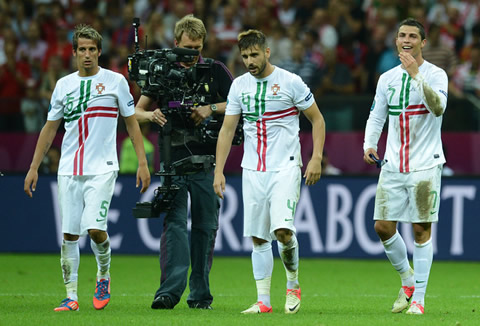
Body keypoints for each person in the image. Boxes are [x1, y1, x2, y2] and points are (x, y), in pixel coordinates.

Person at [24, 24, 151, 312]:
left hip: (103, 168)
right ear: (74, 53)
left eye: (92, 49)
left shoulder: (116, 82)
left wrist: (143, 163)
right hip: (68, 168)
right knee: (69, 235)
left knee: (95, 229)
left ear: (99, 51)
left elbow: (131, 121)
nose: (87, 55)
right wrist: (33, 167)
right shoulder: (63, 86)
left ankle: (103, 275)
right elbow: (49, 128)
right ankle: (71, 297)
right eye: (82, 49)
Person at [213, 29, 325, 314]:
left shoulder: (291, 82)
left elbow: (317, 119)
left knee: (283, 231)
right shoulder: (239, 86)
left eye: (254, 55)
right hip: (252, 169)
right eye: (245, 56)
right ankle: (263, 301)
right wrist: (219, 170)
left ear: (267, 52)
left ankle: (292, 285)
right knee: (259, 237)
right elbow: (227, 130)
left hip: (286, 166)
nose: (250, 61)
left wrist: (316, 158)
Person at [134, 14, 233, 310]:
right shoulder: (162, 71)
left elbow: (241, 101)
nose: (192, 56)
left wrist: (209, 108)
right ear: (175, 43)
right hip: (173, 163)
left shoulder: (215, 70)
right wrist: (151, 115)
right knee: (174, 226)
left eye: (198, 48)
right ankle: (168, 292)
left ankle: (200, 295)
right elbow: (134, 111)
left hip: (205, 162)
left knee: (205, 228)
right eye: (187, 49)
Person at [363, 18, 448, 315]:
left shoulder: (436, 75)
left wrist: (416, 75)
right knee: (382, 227)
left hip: (426, 164)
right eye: (402, 35)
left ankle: (420, 300)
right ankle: (408, 279)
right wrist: (369, 144)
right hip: (393, 163)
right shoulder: (386, 79)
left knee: (421, 230)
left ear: (423, 42)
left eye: (413, 36)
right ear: (396, 40)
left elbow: (438, 107)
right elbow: (377, 115)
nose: (406, 40)